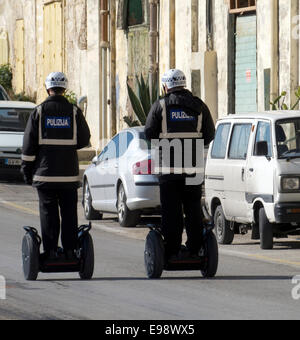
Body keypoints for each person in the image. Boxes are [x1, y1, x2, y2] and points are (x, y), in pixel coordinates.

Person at [145, 69, 215, 260]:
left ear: (166, 86)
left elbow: (149, 133)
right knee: (193, 209)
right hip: (193, 168)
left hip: (168, 169)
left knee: (171, 211)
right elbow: (209, 135)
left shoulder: (160, 106)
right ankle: (195, 249)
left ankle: (172, 250)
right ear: (183, 85)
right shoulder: (200, 106)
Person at [21, 72, 91, 259]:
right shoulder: (75, 111)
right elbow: (85, 139)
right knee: (69, 214)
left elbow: (29, 146)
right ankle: (70, 251)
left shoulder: (39, 112)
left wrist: (26, 170)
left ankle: (50, 252)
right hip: (69, 175)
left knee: (48, 214)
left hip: (45, 176)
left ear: (47, 88)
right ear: (64, 88)